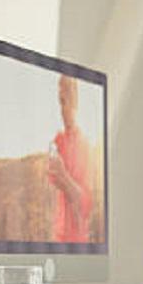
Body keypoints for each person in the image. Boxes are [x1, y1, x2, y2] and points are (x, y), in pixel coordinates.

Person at [47, 74, 93, 242]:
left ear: (76, 102)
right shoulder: (59, 140)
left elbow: (85, 204)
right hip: (58, 237)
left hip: (77, 241)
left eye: (66, 101)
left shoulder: (85, 144)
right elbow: (52, 179)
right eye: (60, 101)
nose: (62, 110)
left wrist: (64, 177)